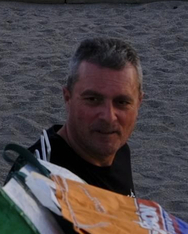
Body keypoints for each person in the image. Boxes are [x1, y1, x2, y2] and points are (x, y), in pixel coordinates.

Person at [27, 37, 143, 195]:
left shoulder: (118, 149)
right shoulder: (38, 173)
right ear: (68, 98)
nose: (109, 117)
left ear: (138, 103)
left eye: (122, 102)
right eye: (93, 99)